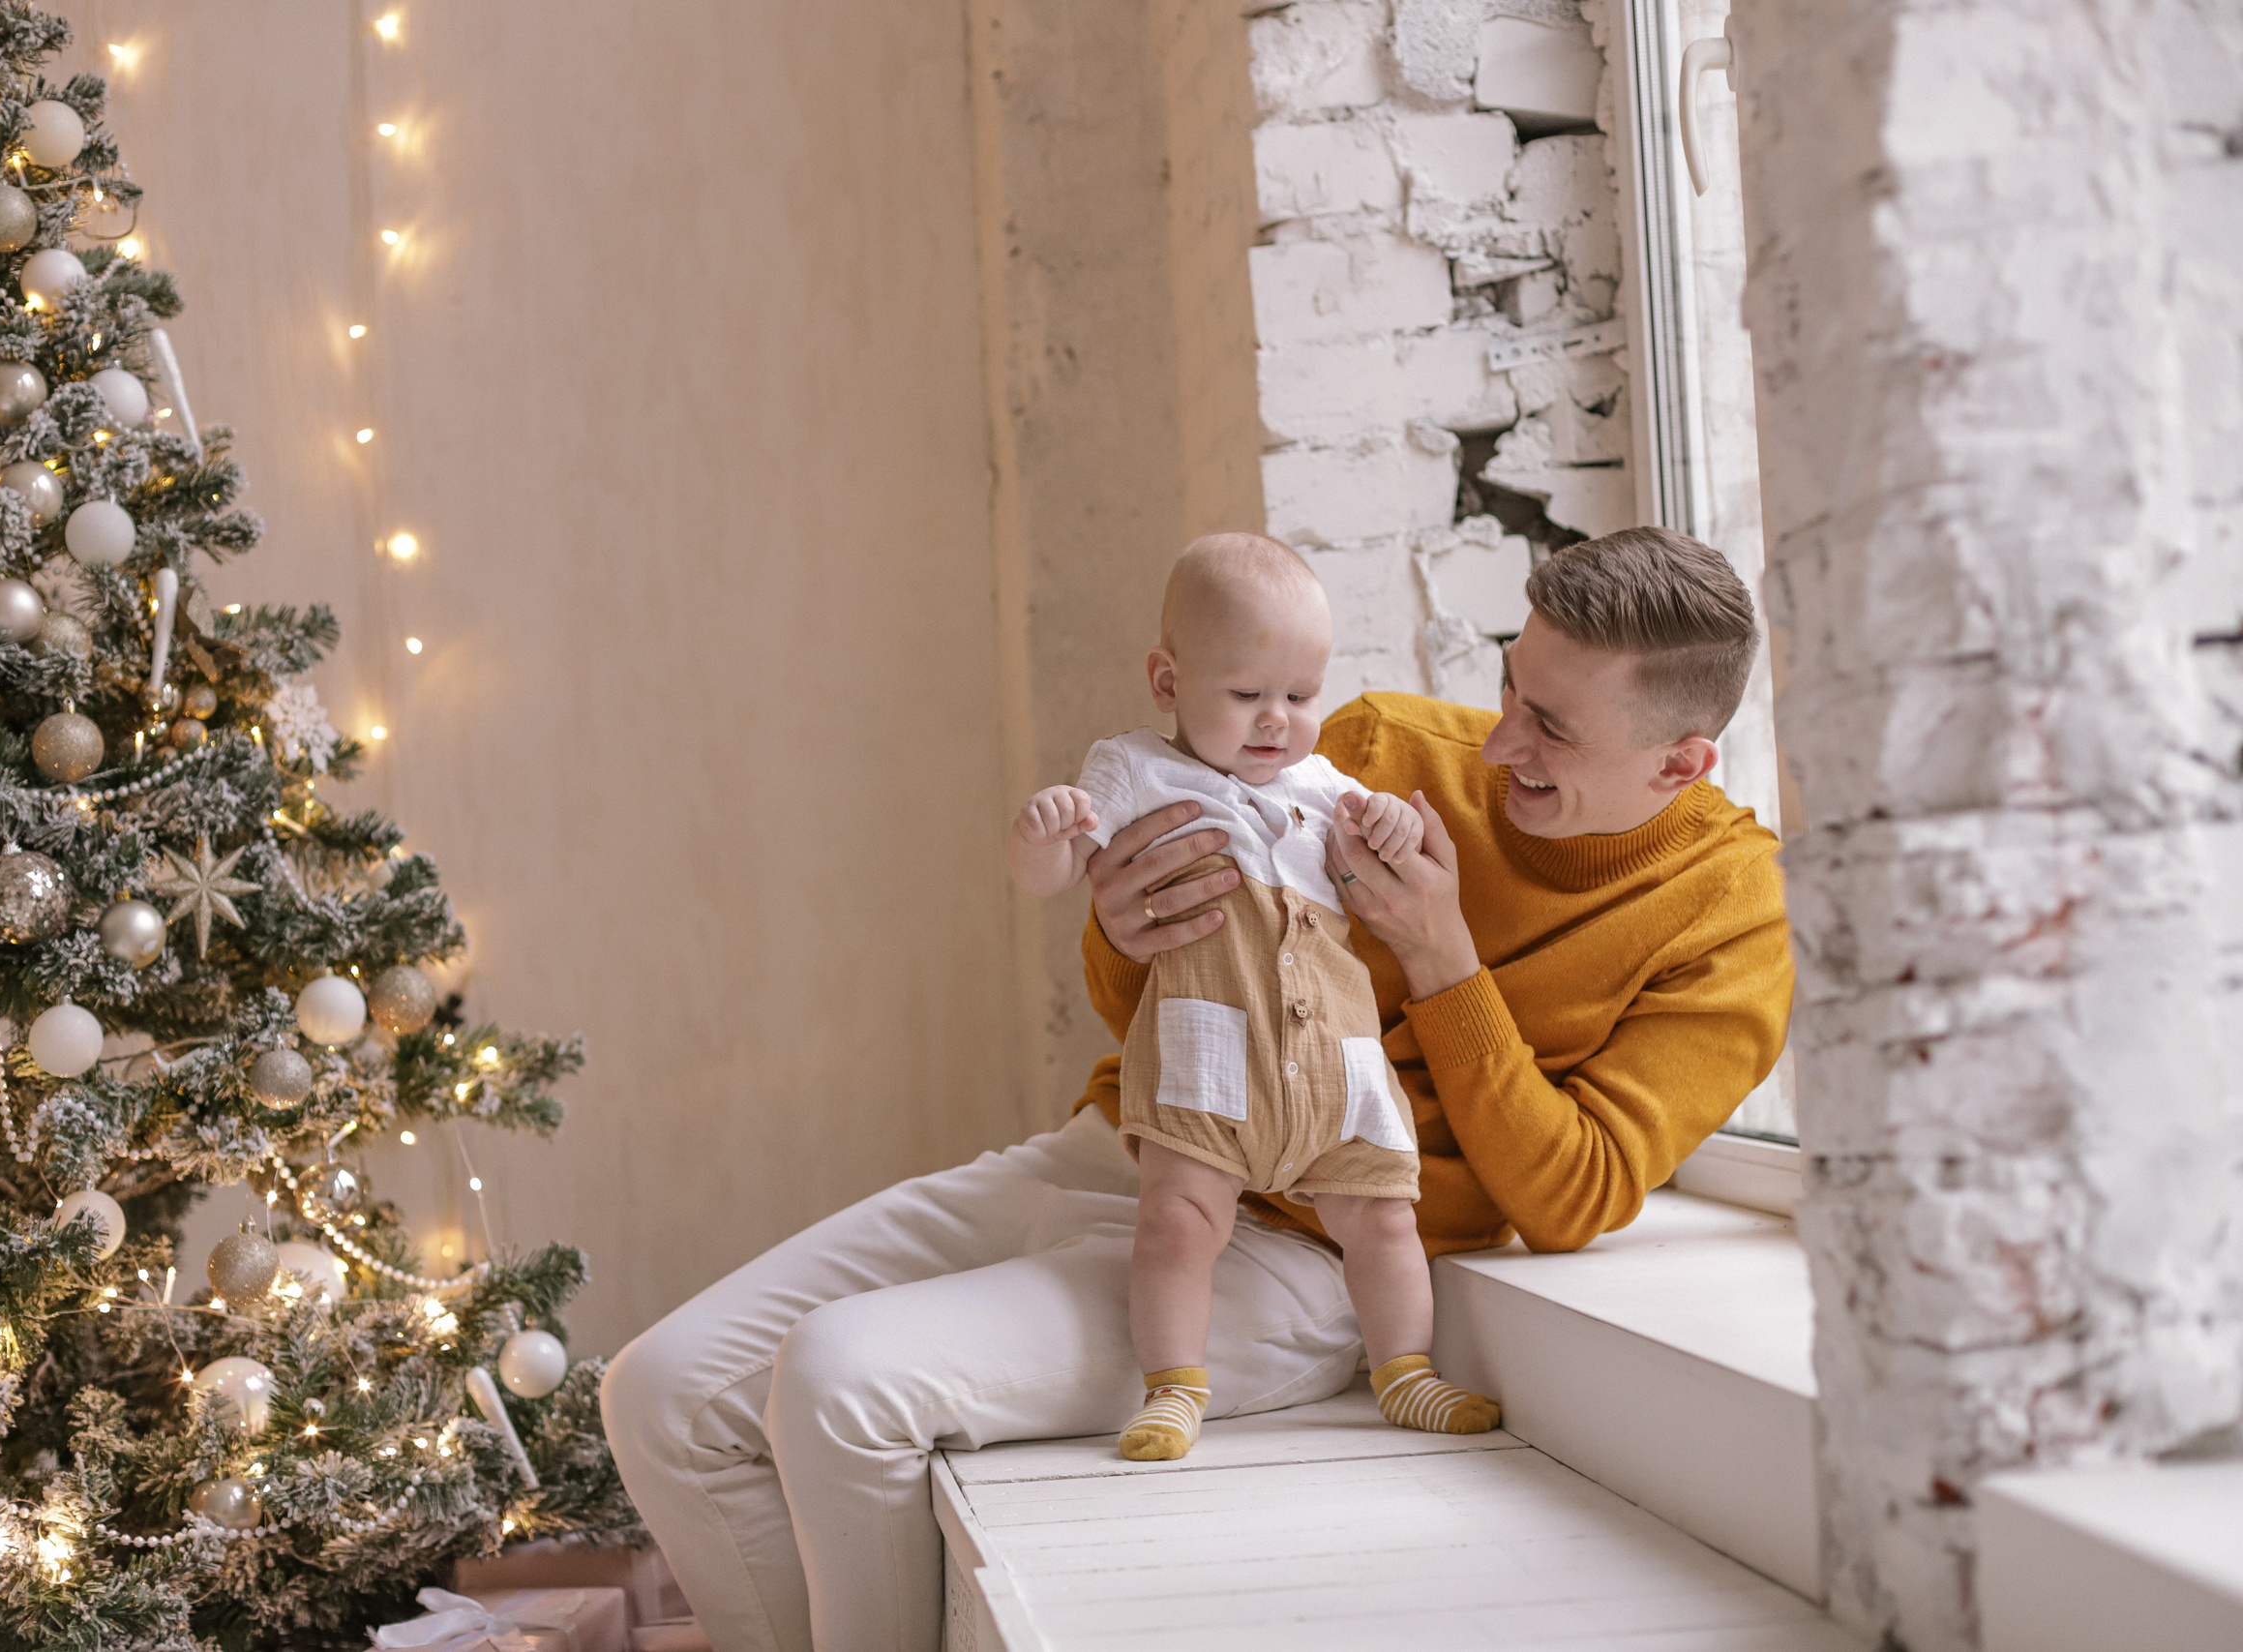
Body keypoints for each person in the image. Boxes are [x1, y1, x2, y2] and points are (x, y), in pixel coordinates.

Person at [603, 526, 1794, 1652]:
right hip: (1128, 1146)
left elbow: (1572, 1195)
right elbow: (1154, 998)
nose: (1495, 748)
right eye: (1508, 691)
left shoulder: (1734, 914)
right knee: (658, 1393)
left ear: (1681, 761)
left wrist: (1443, 958)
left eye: (1548, 728)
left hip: (1305, 1252)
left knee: (839, 1380)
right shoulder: (1375, 750)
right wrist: (1122, 931)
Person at [1005, 534, 1499, 1461]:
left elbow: (1387, 858)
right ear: (1168, 680)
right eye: (1246, 695)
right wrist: (1043, 838)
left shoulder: (1326, 786)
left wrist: (1392, 823)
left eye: (1301, 696)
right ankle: (1172, 1388)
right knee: (1178, 1223)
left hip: (1332, 1072)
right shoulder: (1136, 768)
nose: (1277, 720)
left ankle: (1406, 1372)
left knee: (1387, 1217)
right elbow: (1060, 873)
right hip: (1210, 1062)